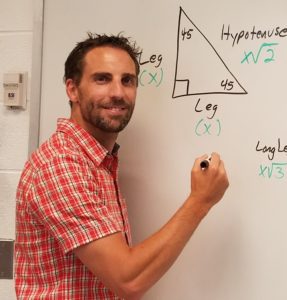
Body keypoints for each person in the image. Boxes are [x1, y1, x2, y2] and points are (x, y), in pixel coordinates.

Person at [15, 32, 229, 300]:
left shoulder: (97, 162)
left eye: (127, 80)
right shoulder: (62, 164)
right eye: (102, 79)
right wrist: (201, 201)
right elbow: (128, 279)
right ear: (72, 89)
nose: (118, 93)